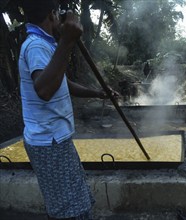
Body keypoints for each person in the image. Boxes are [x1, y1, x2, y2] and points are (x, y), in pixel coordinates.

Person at [18, 1, 119, 219]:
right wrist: (67, 41)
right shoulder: (35, 45)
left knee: (71, 200)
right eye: (58, 14)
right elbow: (44, 89)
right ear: (52, 15)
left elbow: (60, 82)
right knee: (71, 210)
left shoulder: (45, 44)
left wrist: (97, 93)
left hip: (55, 139)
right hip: (49, 141)